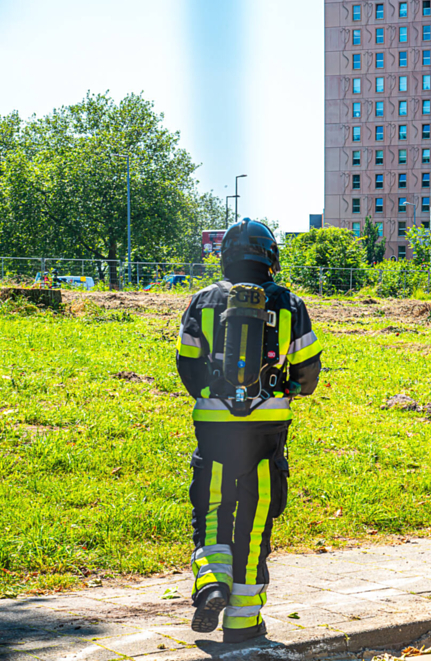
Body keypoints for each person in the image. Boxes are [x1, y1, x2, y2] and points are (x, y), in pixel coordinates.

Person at [175, 219, 322, 643]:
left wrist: (213, 391)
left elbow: (187, 362)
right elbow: (308, 371)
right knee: (256, 521)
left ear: (226, 256)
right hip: (267, 430)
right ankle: (243, 622)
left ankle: (210, 582)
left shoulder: (202, 300)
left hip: (216, 429)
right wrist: (290, 387)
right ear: (270, 257)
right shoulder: (291, 304)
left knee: (214, 509)